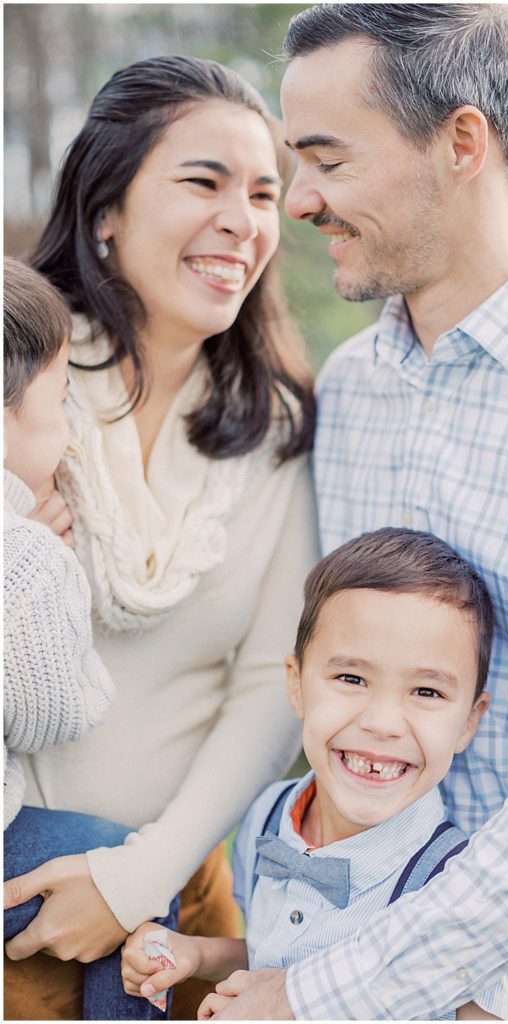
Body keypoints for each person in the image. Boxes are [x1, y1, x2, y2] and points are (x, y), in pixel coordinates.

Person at [208, 5, 508, 1022]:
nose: (298, 201)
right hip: (344, 938)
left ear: (461, 142)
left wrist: (333, 992)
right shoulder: (352, 388)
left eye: (327, 160)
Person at [3, 56, 319, 1022]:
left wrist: (138, 880)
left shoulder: (274, 428)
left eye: (264, 192)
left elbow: (271, 682)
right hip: (15, 897)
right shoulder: (24, 393)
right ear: (107, 210)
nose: (244, 219)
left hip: (172, 916)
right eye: (203, 182)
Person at [122, 527, 508, 1021]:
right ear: (296, 685)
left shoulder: (467, 891)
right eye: (351, 678)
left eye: (426, 692)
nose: (381, 723)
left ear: (469, 720)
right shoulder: (268, 815)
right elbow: (276, 953)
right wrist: (197, 955)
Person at [3, 256, 181, 1021]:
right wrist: (46, 571)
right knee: (130, 878)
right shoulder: (27, 560)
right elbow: (56, 712)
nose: (71, 428)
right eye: (60, 401)